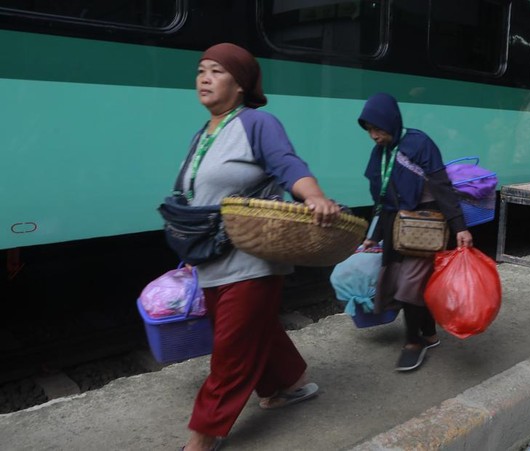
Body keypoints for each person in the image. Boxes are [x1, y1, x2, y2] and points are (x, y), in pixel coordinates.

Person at [177, 43, 340, 451]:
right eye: (201, 70)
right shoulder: (205, 132)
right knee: (252, 329)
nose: (204, 77)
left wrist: (314, 196)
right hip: (212, 258)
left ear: (240, 84)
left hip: (252, 260)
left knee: (230, 351)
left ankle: (203, 436)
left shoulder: (257, 123)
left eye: (216, 71)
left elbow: (287, 164)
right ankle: (288, 385)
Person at [358, 93, 473, 371]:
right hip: (396, 229)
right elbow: (381, 198)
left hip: (426, 228)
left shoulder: (419, 143)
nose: (374, 135)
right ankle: (430, 334)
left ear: (392, 122)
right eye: (369, 130)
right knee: (403, 282)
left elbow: (442, 186)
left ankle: (413, 342)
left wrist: (459, 227)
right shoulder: (380, 153)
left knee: (409, 284)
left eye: (378, 128)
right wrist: (374, 235)